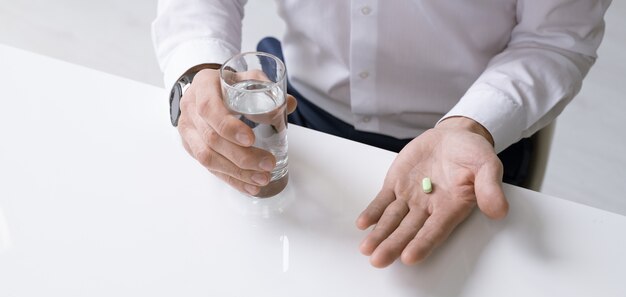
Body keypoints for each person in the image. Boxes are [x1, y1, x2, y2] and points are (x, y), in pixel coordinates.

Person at [152, 0, 611, 268]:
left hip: (466, 138)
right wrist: (198, 66)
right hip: (296, 114)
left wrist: (473, 124)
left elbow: (556, 40)